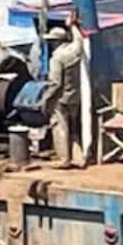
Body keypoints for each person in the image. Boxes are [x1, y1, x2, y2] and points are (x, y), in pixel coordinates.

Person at [44, 26, 84, 169]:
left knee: (60, 128)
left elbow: (56, 83)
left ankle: (64, 159)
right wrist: (73, 26)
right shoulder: (75, 50)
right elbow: (79, 40)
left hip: (61, 99)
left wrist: (46, 99)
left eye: (51, 41)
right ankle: (79, 158)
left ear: (56, 42)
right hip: (75, 96)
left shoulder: (56, 58)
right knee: (74, 128)